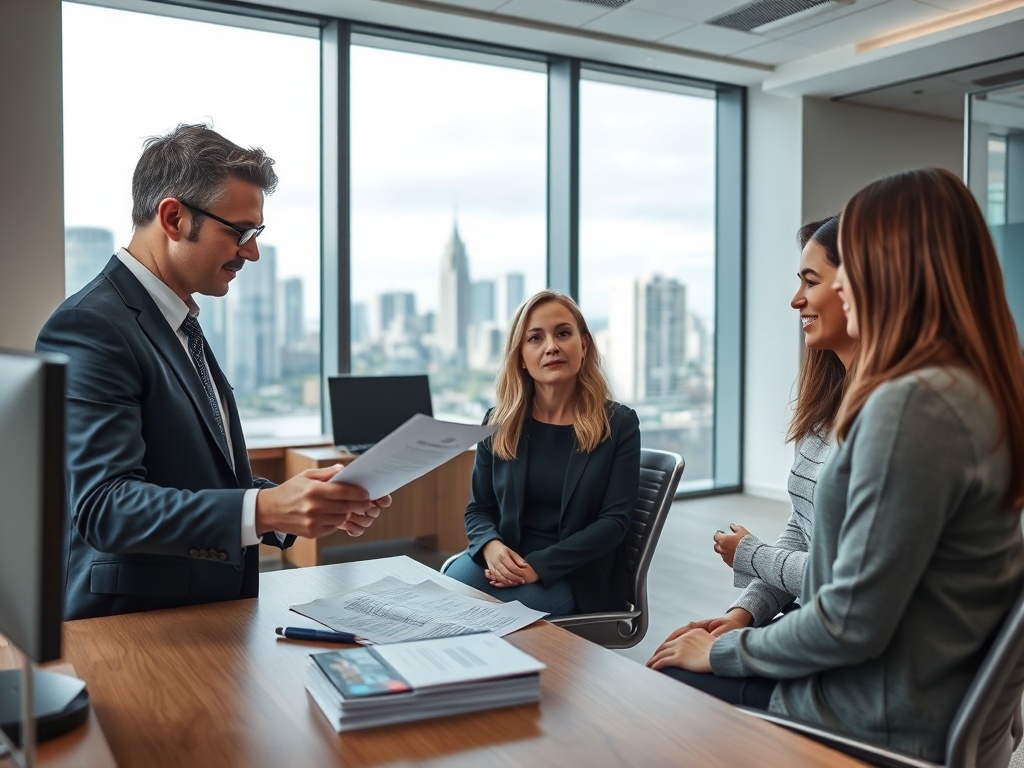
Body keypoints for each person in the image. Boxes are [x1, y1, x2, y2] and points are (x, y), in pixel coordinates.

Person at [647, 167, 1024, 762]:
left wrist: (721, 652)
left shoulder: (910, 409)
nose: (837, 286)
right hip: (920, 698)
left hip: (874, 717)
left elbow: (845, 621)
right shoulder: (969, 392)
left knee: (660, 690)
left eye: (853, 265)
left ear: (897, 271)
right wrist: (746, 617)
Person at [36, 124, 390, 621]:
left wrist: (295, 502)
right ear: (175, 217)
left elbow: (190, 475)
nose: (252, 252)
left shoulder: (177, 321)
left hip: (202, 619)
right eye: (240, 232)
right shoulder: (90, 326)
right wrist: (265, 510)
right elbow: (106, 508)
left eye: (257, 234)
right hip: (134, 633)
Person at [686, 216, 855, 642]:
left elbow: (848, 583)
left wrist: (751, 554)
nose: (796, 300)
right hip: (816, 625)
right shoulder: (830, 402)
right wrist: (744, 614)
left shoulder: (888, 422)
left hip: (839, 648)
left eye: (810, 282)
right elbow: (801, 528)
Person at [444, 290, 640, 616]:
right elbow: (479, 509)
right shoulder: (499, 422)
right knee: (443, 597)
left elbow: (614, 523)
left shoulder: (618, 423)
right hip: (505, 559)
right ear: (520, 356)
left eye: (563, 333)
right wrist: (491, 547)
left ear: (584, 345)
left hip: (575, 573)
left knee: (494, 621)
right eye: (535, 338)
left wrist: (538, 566)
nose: (551, 346)